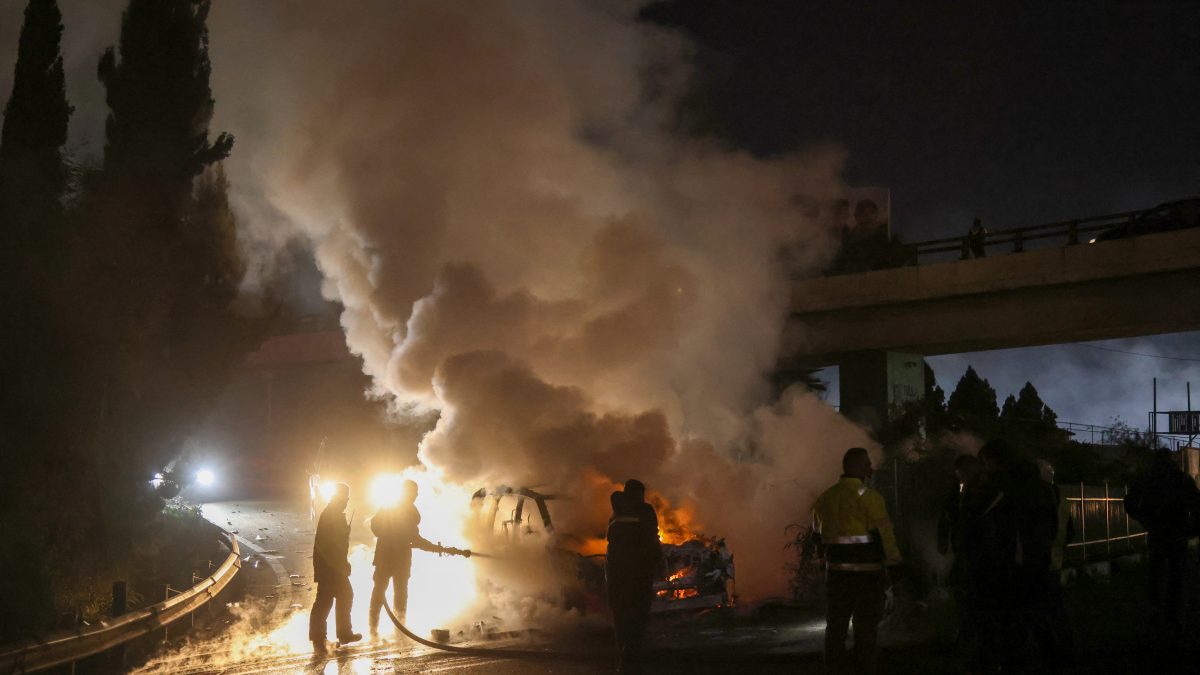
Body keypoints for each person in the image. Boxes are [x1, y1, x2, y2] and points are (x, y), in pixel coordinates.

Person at [812, 447, 902, 675]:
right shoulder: (870, 498)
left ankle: (833, 669)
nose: (871, 468)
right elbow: (884, 537)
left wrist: (824, 566)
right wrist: (894, 568)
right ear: (859, 467)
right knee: (866, 632)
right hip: (867, 579)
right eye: (868, 464)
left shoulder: (825, 498)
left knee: (835, 629)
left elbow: (816, 538)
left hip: (836, 578)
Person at [367, 479, 468, 637]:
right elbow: (376, 525)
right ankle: (374, 631)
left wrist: (440, 549)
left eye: (416, 492)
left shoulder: (407, 511)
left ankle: (398, 630)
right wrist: (389, 537)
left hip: (397, 558)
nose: (416, 495)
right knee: (381, 592)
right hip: (389, 557)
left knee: (396, 593)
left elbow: (414, 538)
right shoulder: (394, 508)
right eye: (414, 492)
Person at [1125, 449, 1200, 639]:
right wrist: (1191, 529)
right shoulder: (1181, 479)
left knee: (1156, 573)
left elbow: (1130, 502)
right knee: (1177, 575)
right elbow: (1197, 505)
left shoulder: (1148, 479)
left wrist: (1145, 519)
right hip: (1177, 533)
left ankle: (1157, 614)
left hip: (1157, 533)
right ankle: (1174, 618)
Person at [606, 479, 663, 673]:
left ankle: (623, 656)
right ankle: (633, 657)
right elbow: (652, 538)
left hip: (617, 575)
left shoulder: (616, 513)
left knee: (621, 617)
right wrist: (659, 561)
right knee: (638, 615)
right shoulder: (645, 511)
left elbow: (611, 548)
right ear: (638, 493)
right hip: (638, 574)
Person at [937, 454, 983, 651]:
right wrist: (943, 537)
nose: (958, 476)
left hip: (979, 552)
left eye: (961, 472)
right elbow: (947, 513)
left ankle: (971, 633)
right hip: (964, 549)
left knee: (972, 591)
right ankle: (966, 631)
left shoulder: (983, 491)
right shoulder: (958, 490)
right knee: (961, 588)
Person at [309, 482, 361, 653]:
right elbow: (331, 546)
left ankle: (339, 634)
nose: (346, 501)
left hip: (331, 567)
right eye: (345, 498)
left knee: (339, 596)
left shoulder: (335, 513)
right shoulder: (332, 514)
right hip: (330, 568)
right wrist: (341, 566)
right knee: (326, 601)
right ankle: (320, 639)